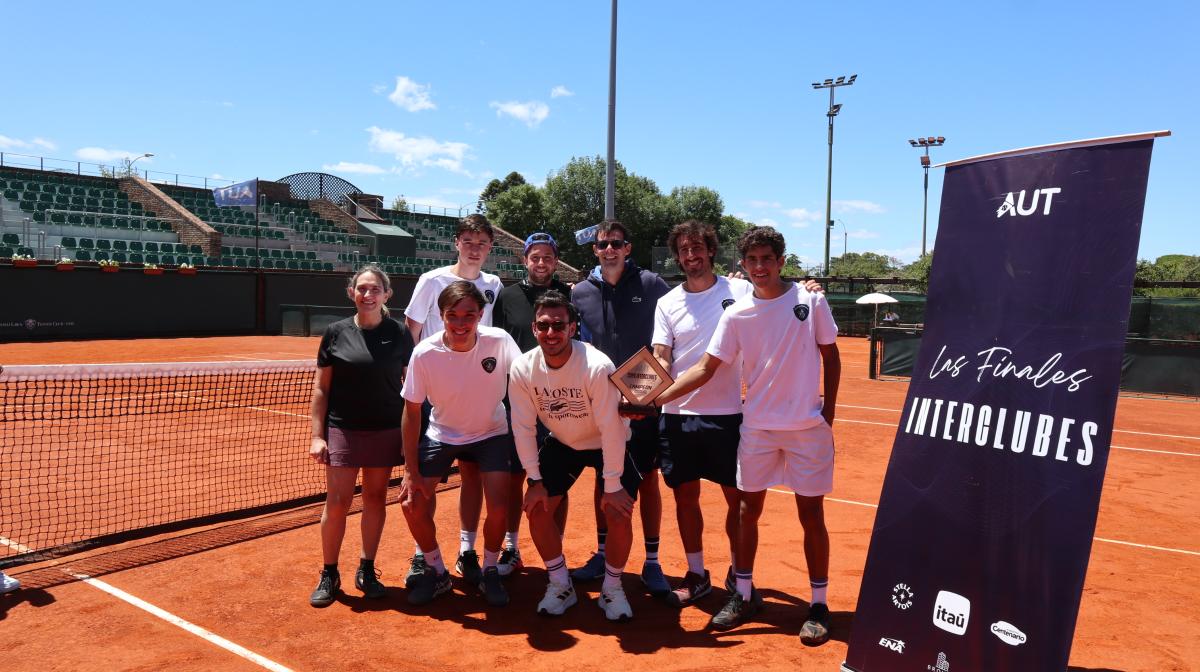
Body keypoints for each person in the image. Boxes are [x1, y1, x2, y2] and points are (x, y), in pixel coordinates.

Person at [651, 226, 841, 644]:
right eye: (752, 260)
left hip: (806, 429)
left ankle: (819, 604)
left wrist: (827, 415)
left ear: (781, 261)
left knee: (811, 515)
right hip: (756, 427)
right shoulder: (735, 313)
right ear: (743, 263)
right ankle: (742, 593)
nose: (759, 267)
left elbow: (831, 355)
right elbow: (705, 367)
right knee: (745, 511)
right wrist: (653, 399)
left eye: (767, 259)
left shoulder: (810, 300)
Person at [509, 291, 639, 621]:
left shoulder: (597, 365)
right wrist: (534, 480)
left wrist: (613, 485)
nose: (550, 332)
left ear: (572, 328)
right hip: (563, 442)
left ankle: (612, 588)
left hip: (607, 442)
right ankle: (560, 583)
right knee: (537, 508)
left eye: (558, 325)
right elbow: (523, 427)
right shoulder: (522, 368)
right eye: (543, 325)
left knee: (618, 512)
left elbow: (611, 428)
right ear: (534, 328)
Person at [399, 281, 522, 607]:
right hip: (442, 434)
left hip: (492, 433)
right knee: (411, 503)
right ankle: (437, 570)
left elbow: (526, 379)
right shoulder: (424, 353)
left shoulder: (500, 341)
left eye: (469, 315)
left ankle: (490, 570)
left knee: (499, 507)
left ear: (481, 314)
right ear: (441, 316)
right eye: (452, 315)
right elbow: (412, 411)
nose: (460, 322)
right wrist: (410, 469)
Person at [571, 219, 672, 595]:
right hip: (601, 402)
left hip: (643, 400)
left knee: (647, 480)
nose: (609, 250)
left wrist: (641, 393)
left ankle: (652, 561)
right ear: (595, 250)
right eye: (603, 245)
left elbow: (673, 330)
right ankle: (602, 554)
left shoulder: (652, 285)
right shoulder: (581, 292)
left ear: (628, 248)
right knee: (603, 478)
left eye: (616, 243)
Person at [403, 214, 504, 589]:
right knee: (424, 481)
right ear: (456, 243)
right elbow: (412, 328)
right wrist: (413, 374)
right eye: (468, 241)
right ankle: (422, 554)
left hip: (479, 394)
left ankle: (466, 550)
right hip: (435, 393)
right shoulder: (432, 280)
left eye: (481, 242)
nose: (474, 248)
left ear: (490, 247)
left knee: (472, 475)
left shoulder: (493, 284)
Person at [308, 264, 414, 608]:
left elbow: (411, 387)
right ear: (351, 292)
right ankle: (329, 572)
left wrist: (410, 434)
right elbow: (322, 389)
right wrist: (317, 435)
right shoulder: (335, 332)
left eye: (375, 289)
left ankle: (366, 569)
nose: (368, 295)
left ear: (387, 294)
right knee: (337, 502)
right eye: (362, 289)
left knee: (375, 497)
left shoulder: (399, 333)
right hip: (343, 428)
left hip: (385, 428)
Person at [490, 232, 574, 576]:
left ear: (556, 261)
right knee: (514, 478)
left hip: (560, 400)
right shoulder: (507, 296)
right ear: (525, 260)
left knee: (558, 482)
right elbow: (496, 346)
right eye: (535, 257)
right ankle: (511, 548)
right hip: (517, 400)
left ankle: (556, 548)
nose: (541, 263)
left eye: (548, 257)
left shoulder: (568, 295)